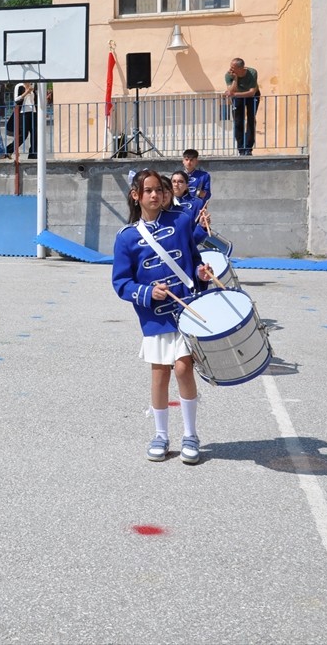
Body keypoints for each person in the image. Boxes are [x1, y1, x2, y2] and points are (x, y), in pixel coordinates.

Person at [112, 169, 212, 464]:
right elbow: (121, 283)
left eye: (158, 190)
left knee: (183, 369)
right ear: (136, 196)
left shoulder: (181, 222)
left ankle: (191, 434)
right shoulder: (126, 238)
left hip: (185, 310)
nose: (155, 195)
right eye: (148, 191)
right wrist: (147, 293)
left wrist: (202, 273)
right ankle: (160, 434)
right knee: (160, 375)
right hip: (154, 317)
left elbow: (195, 261)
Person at [224, 58, 260, 156]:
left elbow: (252, 92)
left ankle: (248, 148)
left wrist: (235, 94)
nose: (230, 69)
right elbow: (231, 91)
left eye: (233, 67)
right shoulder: (229, 75)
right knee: (238, 122)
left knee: (251, 120)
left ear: (240, 68)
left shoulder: (252, 72)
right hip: (238, 96)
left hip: (252, 97)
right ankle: (241, 149)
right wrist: (235, 79)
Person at [10, 82, 37, 159]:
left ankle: (33, 154)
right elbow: (16, 100)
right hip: (23, 113)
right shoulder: (19, 86)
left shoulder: (33, 85)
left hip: (33, 112)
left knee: (35, 134)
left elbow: (34, 100)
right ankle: (8, 150)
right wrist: (26, 92)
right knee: (23, 134)